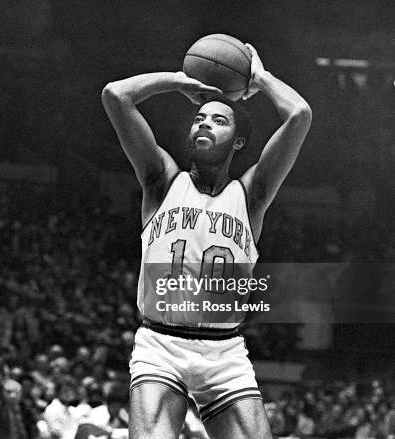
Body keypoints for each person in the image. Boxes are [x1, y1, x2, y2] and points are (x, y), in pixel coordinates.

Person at [101, 42, 312, 439]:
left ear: (238, 142)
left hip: (224, 350)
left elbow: (299, 115)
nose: (203, 123)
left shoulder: (251, 196)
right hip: (160, 344)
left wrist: (260, 78)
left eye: (218, 120)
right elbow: (116, 95)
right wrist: (179, 81)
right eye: (199, 118)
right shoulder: (161, 180)